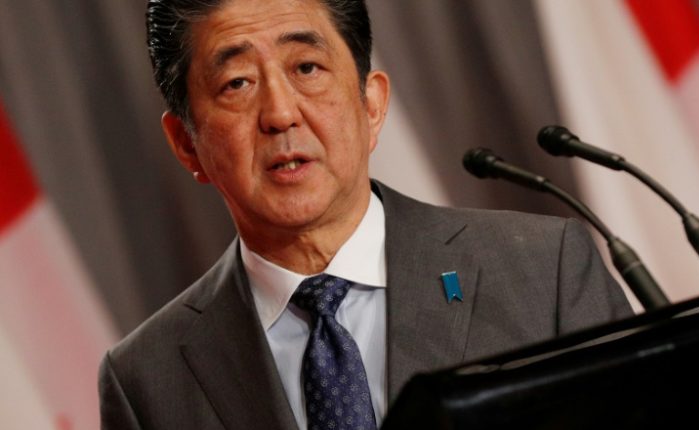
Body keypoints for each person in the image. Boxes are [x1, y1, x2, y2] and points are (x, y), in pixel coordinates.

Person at [98, 0, 633, 428]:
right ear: (186, 144)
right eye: (237, 83)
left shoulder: (542, 272)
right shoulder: (147, 380)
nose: (280, 113)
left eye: (306, 67)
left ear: (371, 105)